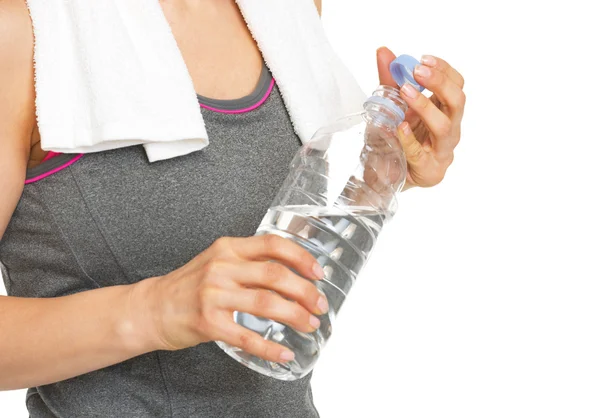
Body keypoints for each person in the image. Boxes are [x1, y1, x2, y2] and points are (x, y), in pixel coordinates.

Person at [0, 0, 465, 416]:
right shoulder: (23, 32)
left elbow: (290, 254)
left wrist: (381, 176)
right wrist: (154, 310)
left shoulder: (286, 13)